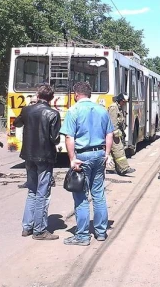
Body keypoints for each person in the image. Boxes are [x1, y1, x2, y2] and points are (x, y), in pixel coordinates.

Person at [60, 81, 114, 246]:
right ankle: (101, 232)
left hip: (82, 157)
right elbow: (109, 134)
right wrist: (106, 154)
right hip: (99, 154)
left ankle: (82, 236)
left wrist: (72, 159)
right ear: (90, 94)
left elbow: (69, 137)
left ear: (76, 94)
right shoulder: (102, 110)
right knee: (98, 194)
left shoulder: (73, 110)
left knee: (81, 196)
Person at [14, 85, 61, 240]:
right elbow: (55, 139)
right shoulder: (53, 114)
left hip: (28, 156)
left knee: (32, 191)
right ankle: (39, 230)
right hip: (45, 157)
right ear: (52, 98)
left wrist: (29, 106)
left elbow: (17, 124)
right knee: (42, 193)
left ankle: (27, 227)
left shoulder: (27, 110)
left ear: (37, 95)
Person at [106, 93, 135, 176]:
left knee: (113, 151)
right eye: (123, 101)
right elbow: (112, 122)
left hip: (117, 132)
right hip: (114, 133)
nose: (124, 103)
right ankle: (124, 168)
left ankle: (111, 168)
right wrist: (115, 133)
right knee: (118, 150)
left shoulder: (119, 107)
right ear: (119, 100)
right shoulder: (113, 108)